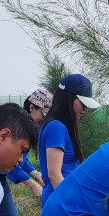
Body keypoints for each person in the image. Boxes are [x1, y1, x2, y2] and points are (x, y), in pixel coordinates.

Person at [39, 73, 99, 206]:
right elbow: (54, 174)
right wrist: (74, 204)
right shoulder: (56, 127)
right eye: (82, 103)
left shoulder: (62, 126)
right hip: (61, 204)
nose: (85, 108)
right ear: (67, 98)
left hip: (64, 200)